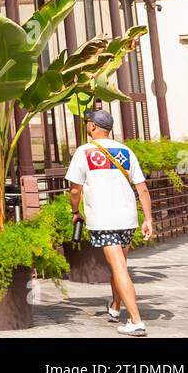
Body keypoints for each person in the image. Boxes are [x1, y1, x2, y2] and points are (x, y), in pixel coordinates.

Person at [65, 108, 154, 336]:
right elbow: (142, 188)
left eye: (87, 122)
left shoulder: (84, 152)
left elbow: (75, 190)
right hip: (128, 218)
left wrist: (76, 211)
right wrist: (149, 219)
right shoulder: (125, 151)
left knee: (119, 268)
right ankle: (115, 307)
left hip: (104, 219)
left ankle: (136, 321)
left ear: (93, 126)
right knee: (119, 266)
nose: (86, 125)